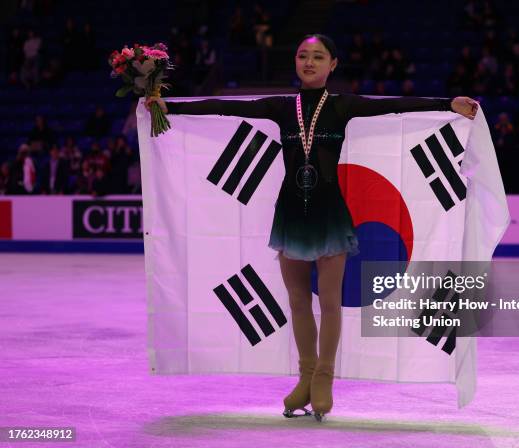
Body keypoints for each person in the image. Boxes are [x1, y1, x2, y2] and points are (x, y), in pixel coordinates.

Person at [145, 33, 478, 421]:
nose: (309, 62)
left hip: (329, 215)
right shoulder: (282, 107)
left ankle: (324, 376)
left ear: (332, 65)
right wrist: (168, 107)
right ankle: (305, 376)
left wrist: (446, 104)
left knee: (330, 302)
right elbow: (226, 106)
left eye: (318, 57)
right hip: (291, 214)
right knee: (299, 301)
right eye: (303, 56)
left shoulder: (343, 105)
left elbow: (399, 108)